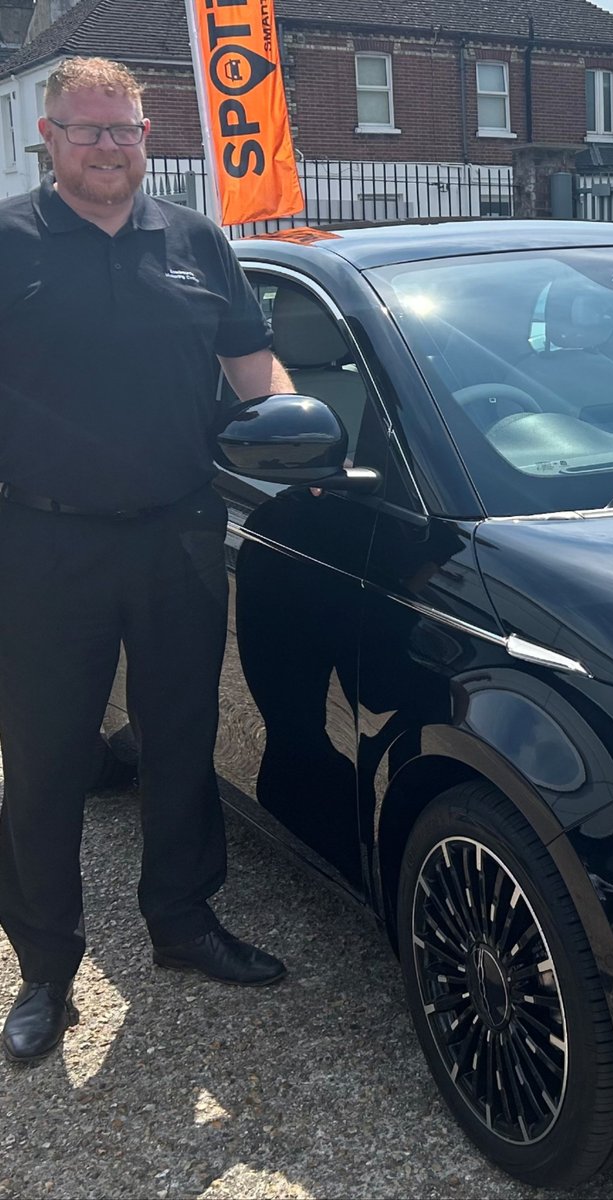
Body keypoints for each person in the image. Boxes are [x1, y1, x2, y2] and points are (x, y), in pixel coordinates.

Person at [0, 57, 295, 1065]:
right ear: (50, 136)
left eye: (124, 129)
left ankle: (182, 922)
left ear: (145, 130)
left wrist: (292, 433)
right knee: (43, 760)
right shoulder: (7, 241)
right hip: (42, 539)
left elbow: (258, 375)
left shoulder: (198, 240)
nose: (109, 148)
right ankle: (44, 967)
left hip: (177, 529)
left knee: (182, 737)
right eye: (87, 131)